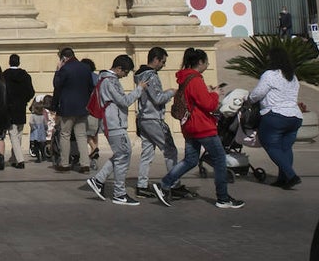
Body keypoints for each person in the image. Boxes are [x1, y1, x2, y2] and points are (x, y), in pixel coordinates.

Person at [153, 48, 245, 209]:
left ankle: (165, 184)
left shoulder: (185, 78)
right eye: (206, 62)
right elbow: (208, 104)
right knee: (219, 160)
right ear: (200, 62)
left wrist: (208, 92)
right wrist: (215, 94)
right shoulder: (195, 79)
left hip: (190, 127)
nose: (208, 64)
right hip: (202, 126)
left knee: (191, 160)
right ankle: (223, 198)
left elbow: (196, 100)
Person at [84, 54, 147, 206]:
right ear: (119, 69)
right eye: (125, 72)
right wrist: (139, 89)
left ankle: (98, 180)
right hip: (114, 124)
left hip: (113, 123)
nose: (125, 76)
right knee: (124, 155)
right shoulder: (110, 81)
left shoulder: (105, 80)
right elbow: (124, 101)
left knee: (121, 154)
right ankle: (119, 193)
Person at [248, 45, 306, 189]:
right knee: (286, 148)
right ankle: (283, 179)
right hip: (295, 116)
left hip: (275, 115)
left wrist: (248, 99)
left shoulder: (270, 74)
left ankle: (291, 176)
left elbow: (258, 93)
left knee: (270, 145)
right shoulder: (292, 77)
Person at [134, 46, 188, 200]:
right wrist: (172, 92)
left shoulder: (140, 75)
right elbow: (158, 98)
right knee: (170, 150)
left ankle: (142, 185)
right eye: (163, 62)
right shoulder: (151, 76)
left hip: (143, 118)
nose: (163, 65)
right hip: (154, 118)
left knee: (147, 153)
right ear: (156, 60)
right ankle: (174, 183)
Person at [52, 46, 93, 173]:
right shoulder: (85, 68)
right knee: (81, 135)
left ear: (63, 58)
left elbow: (57, 84)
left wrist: (58, 70)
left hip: (68, 108)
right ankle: (85, 164)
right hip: (82, 107)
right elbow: (90, 87)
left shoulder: (65, 69)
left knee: (65, 134)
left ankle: (65, 163)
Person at [3, 54, 35, 169]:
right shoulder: (25, 76)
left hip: (9, 108)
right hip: (21, 107)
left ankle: (20, 160)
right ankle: (14, 158)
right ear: (19, 62)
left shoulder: (5, 75)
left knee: (13, 134)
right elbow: (31, 92)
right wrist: (24, 100)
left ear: (9, 62)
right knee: (19, 133)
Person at [28, 98, 47, 163]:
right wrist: (45, 129)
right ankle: (43, 156)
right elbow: (45, 124)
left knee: (35, 146)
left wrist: (33, 127)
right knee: (42, 145)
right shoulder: (43, 116)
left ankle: (38, 158)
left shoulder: (33, 116)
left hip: (35, 132)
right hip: (41, 133)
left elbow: (30, 122)